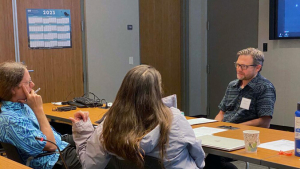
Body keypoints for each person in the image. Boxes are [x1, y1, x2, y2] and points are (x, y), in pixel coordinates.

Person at [70, 65, 205, 169]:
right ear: (157, 91)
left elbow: (90, 165)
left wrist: (83, 131)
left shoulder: (109, 127)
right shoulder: (175, 121)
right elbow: (199, 158)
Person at [0, 62, 81, 169]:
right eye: (28, 82)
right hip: (53, 159)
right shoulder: (10, 120)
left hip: (60, 144)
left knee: (96, 137)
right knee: (105, 157)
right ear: (13, 89)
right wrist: (38, 109)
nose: (32, 85)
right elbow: (51, 146)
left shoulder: (21, 104)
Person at [205, 48, 276, 169]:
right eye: (237, 65)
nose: (238, 69)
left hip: (245, 137)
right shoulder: (232, 85)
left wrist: (234, 129)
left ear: (257, 68)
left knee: (212, 161)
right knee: (195, 150)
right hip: (224, 132)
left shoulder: (265, 87)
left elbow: (264, 122)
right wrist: (215, 128)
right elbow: (221, 112)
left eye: (244, 66)